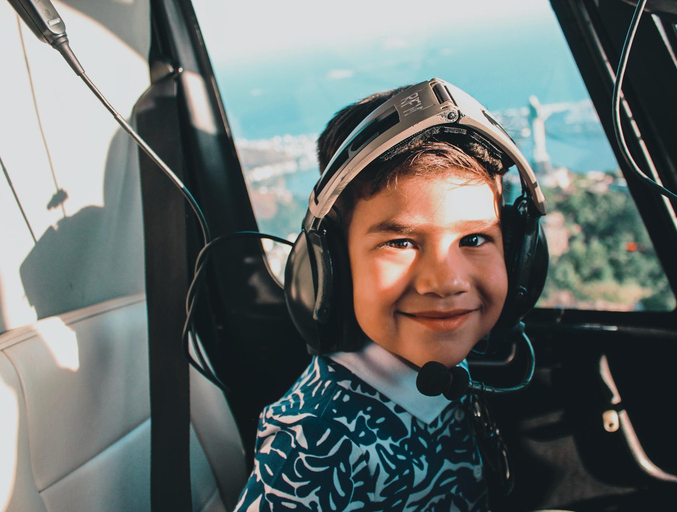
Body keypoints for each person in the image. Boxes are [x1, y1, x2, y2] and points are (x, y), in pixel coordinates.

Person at [234, 78, 546, 511]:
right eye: (400, 243)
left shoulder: (451, 374)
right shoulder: (312, 443)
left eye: (474, 239)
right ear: (332, 268)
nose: (445, 282)